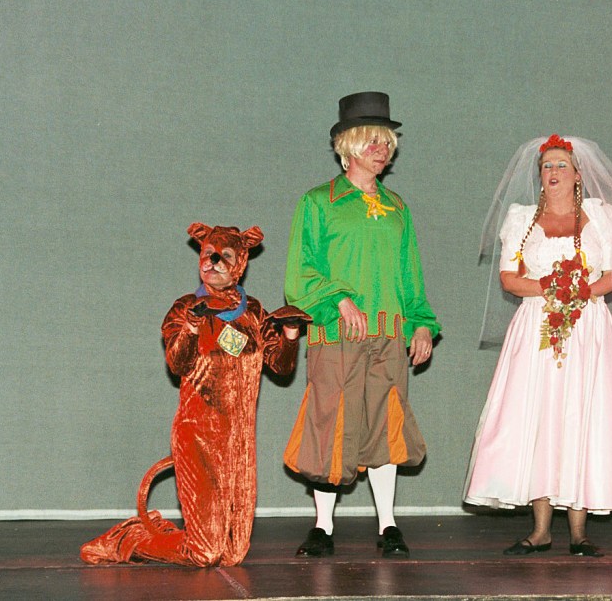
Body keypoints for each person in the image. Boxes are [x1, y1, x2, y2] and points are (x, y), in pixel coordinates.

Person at [80, 223, 308, 567]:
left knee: (232, 554)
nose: (214, 261)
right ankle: (130, 539)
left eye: (225, 255)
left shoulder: (253, 312)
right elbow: (177, 363)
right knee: (205, 553)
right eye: (208, 254)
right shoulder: (186, 307)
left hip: (239, 448)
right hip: (198, 438)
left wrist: (290, 333)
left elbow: (281, 367)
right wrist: (190, 327)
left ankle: (159, 531)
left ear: (240, 263)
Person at [464, 134, 612, 558]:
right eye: (547, 166)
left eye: (562, 165)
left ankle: (579, 532)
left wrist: (580, 292)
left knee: (581, 415)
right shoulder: (522, 219)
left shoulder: (601, 217)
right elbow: (510, 279)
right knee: (539, 416)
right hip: (537, 327)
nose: (554, 172)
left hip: (586, 327)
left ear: (578, 174)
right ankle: (541, 530)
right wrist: (550, 287)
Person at [282, 91, 441, 558]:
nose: (382, 149)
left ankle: (388, 525)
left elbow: (411, 276)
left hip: (388, 337)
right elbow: (300, 274)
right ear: (348, 146)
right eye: (373, 141)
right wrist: (338, 299)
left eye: (387, 141)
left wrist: (421, 324)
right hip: (337, 336)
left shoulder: (397, 208)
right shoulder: (319, 202)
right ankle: (322, 527)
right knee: (330, 423)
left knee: (385, 426)